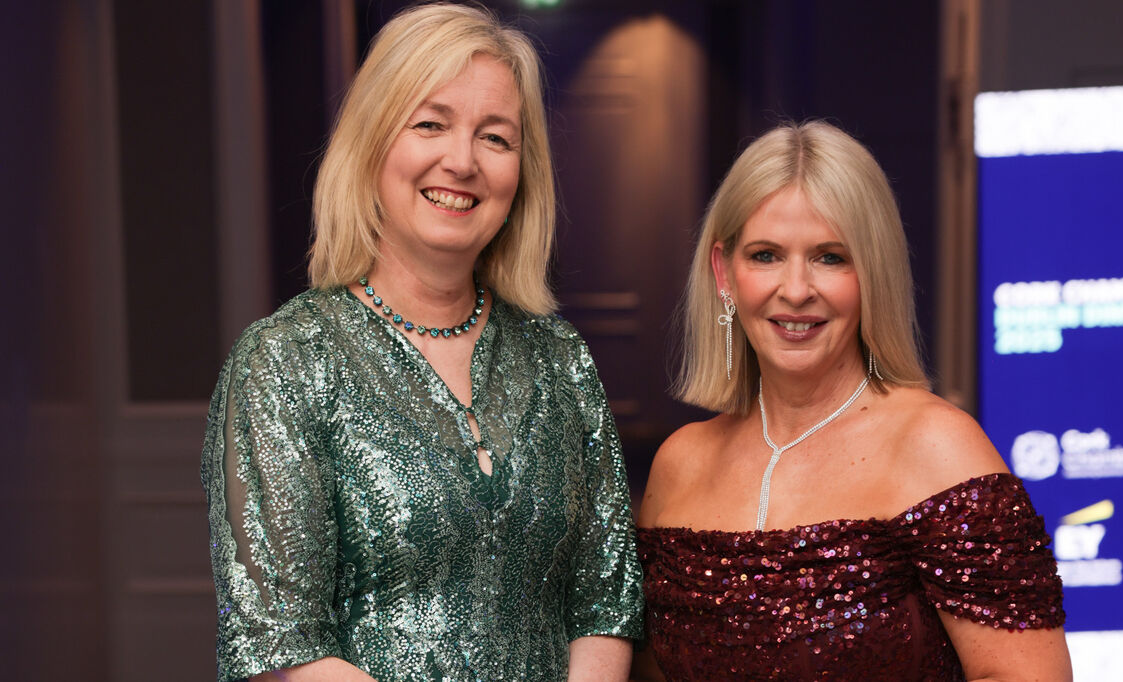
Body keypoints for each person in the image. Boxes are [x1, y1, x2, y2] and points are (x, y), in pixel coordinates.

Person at [200, 4, 642, 681]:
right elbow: (278, 644)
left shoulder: (560, 360)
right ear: (373, 144)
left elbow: (605, 601)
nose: (461, 161)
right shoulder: (286, 361)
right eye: (430, 124)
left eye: (495, 138)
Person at [635, 121, 1070, 681]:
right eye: (765, 255)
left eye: (830, 257)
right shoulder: (680, 463)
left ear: (874, 270)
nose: (795, 289)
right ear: (724, 272)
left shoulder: (938, 446)